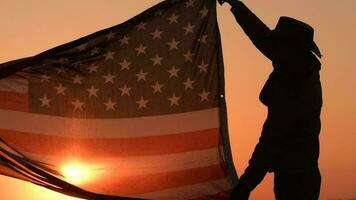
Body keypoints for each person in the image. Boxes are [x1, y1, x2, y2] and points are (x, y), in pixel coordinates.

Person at [218, 0, 323, 199]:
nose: (273, 48)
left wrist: (245, 186)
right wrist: (235, 4)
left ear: (289, 48)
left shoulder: (295, 88)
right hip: (299, 173)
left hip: (296, 181)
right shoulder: (296, 66)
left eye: (279, 44)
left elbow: (271, 142)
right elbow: (260, 36)